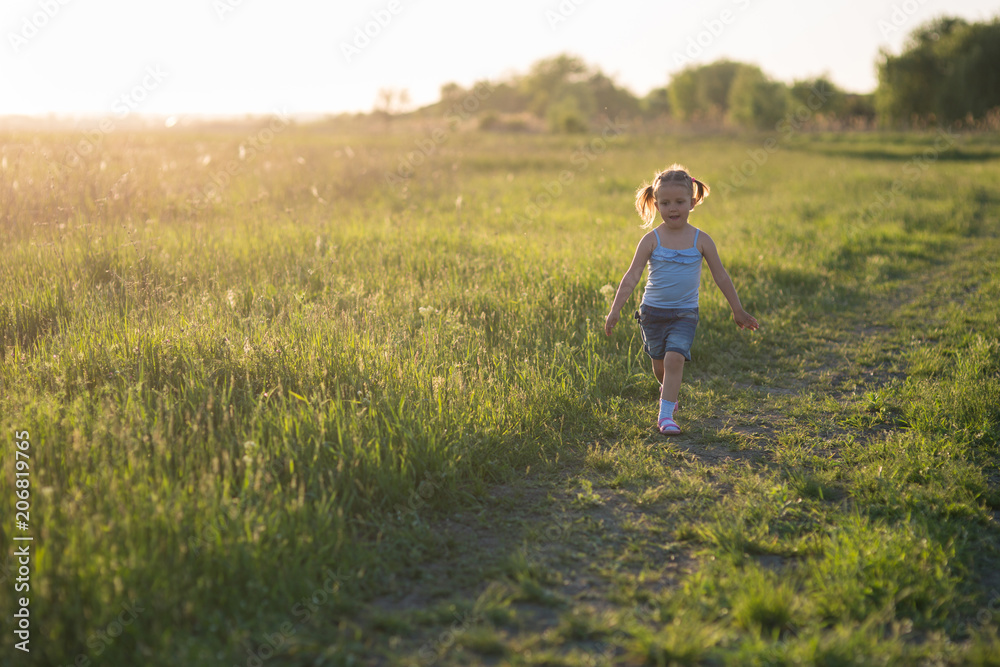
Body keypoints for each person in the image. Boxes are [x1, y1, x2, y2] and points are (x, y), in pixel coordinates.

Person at [604, 165, 758, 435]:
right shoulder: (651, 240)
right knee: (661, 366)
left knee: (675, 360)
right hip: (652, 313)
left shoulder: (702, 240)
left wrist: (738, 310)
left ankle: (665, 416)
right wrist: (615, 310)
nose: (672, 208)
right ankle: (668, 393)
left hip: (685, 314)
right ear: (655, 203)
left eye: (679, 202)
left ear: (692, 202)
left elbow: (721, 276)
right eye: (665, 203)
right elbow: (631, 277)